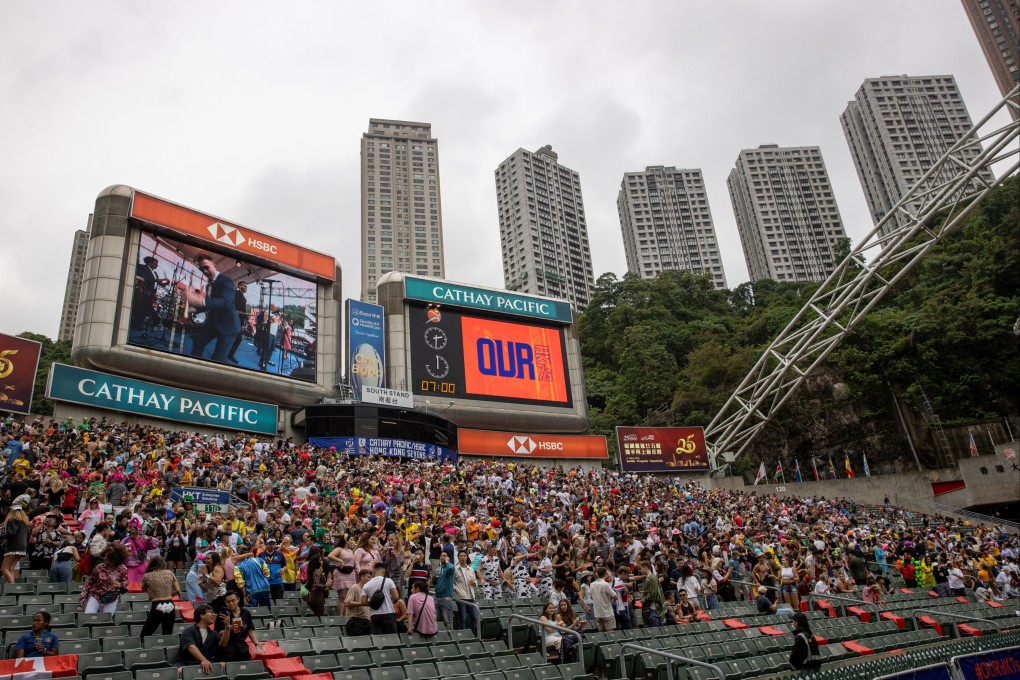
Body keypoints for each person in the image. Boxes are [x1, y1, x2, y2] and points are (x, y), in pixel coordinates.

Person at [180, 253, 241, 363]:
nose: (204, 270)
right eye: (201, 268)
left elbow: (225, 303)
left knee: (218, 359)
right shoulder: (209, 286)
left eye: (206, 267)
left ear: (214, 265)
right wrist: (194, 309)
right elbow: (210, 304)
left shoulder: (226, 281)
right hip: (213, 323)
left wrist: (198, 300)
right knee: (198, 342)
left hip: (228, 326)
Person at [178, 604, 231, 672]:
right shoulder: (188, 631)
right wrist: (203, 660)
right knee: (179, 671)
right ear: (202, 615)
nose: (213, 614)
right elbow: (191, 647)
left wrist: (227, 627)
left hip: (207, 662)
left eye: (213, 612)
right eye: (210, 612)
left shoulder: (213, 633)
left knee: (224, 666)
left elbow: (223, 644)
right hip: (188, 664)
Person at [80, 542, 129, 613]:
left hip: (111, 598)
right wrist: (83, 597)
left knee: (107, 617)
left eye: (107, 557)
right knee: (89, 613)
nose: (104, 558)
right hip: (96, 596)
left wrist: (119, 585)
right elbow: (90, 581)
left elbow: (126, 583)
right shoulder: (99, 567)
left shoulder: (123, 569)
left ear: (114, 558)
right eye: (104, 555)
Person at [140, 556, 181, 638]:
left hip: (157, 604)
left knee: (145, 634)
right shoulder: (169, 573)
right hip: (170, 604)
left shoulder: (147, 576)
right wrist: (168, 595)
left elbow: (143, 589)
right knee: (167, 634)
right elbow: (177, 590)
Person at [215, 591, 263, 661]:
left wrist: (256, 643)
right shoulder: (222, 615)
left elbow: (250, 629)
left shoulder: (246, 613)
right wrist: (229, 629)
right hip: (227, 650)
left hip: (242, 648)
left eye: (233, 601)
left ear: (238, 599)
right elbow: (217, 633)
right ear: (225, 602)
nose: (231, 603)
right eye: (228, 602)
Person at [364, 561, 401, 634]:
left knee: (379, 640)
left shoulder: (367, 585)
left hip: (374, 614)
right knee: (392, 637)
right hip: (388, 612)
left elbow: (363, 602)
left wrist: (373, 602)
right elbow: (396, 597)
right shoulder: (389, 581)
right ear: (384, 571)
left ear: (374, 570)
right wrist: (388, 600)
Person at [2, 500, 30, 583]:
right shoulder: (24, 522)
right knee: (11, 568)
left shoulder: (12, 520)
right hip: (23, 547)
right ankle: (12, 586)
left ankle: (12, 587)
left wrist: (2, 535)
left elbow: (11, 533)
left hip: (13, 547)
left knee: (4, 569)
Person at [453, 549, 478, 632]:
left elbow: (475, 581)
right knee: (462, 618)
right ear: (458, 558)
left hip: (471, 596)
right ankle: (463, 634)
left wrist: (474, 582)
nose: (462, 557)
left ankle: (473, 634)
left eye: (464, 556)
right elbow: (451, 583)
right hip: (461, 597)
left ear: (467, 557)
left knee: (474, 617)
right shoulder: (455, 569)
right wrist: (456, 589)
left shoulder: (470, 569)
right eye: (461, 556)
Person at [226, 281, 250, 364]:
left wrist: (246, 319)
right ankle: (223, 353)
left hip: (238, 321)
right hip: (230, 318)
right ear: (239, 286)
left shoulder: (244, 299)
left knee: (238, 339)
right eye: (244, 285)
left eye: (246, 286)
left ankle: (230, 354)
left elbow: (243, 311)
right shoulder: (234, 292)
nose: (246, 287)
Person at [555, 598, 585, 663]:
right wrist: (574, 623)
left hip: (572, 634)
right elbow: (564, 631)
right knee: (565, 640)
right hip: (565, 635)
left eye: (564, 605)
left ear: (568, 605)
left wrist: (580, 626)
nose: (563, 607)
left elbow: (574, 629)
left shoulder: (570, 614)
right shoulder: (558, 616)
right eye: (561, 605)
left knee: (583, 630)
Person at [344, 569, 374, 636]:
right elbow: (348, 603)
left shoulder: (369, 589)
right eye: (368, 577)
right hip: (354, 619)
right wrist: (362, 603)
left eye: (371, 577)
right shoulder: (354, 587)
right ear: (362, 577)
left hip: (367, 619)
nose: (370, 579)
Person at [590, 567, 618, 632]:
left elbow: (591, 597)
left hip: (598, 613)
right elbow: (615, 596)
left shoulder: (591, 584)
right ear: (605, 574)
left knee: (601, 634)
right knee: (610, 634)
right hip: (607, 613)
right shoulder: (606, 584)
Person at [433, 550, 455, 630]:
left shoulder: (449, 567)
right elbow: (434, 582)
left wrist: (447, 561)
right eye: (441, 555)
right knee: (435, 619)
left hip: (446, 597)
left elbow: (452, 568)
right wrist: (433, 578)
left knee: (447, 620)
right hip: (437, 596)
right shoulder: (438, 568)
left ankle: (450, 638)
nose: (442, 557)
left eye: (444, 556)